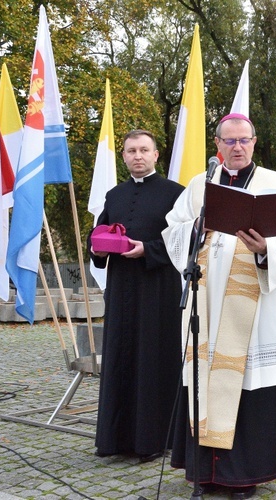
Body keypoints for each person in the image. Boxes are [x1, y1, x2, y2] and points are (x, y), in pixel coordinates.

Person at [162, 113, 276, 499]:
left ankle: (244, 476)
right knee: (204, 383)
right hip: (205, 309)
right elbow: (172, 230)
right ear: (218, 145)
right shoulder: (199, 185)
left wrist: (267, 250)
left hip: (253, 312)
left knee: (247, 387)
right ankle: (204, 473)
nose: (238, 147)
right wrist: (197, 227)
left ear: (254, 143)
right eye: (230, 141)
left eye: (244, 140)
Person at [89, 130, 185, 461]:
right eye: (131, 151)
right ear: (124, 156)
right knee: (120, 358)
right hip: (121, 292)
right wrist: (98, 249)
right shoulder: (114, 195)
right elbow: (99, 236)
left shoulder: (177, 194)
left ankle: (153, 441)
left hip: (158, 289)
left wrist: (148, 250)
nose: (138, 156)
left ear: (157, 155)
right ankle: (115, 440)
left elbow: (185, 242)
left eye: (144, 150)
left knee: (154, 359)